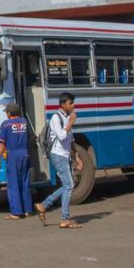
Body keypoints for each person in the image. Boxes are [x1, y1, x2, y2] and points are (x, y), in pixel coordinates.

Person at [35, 92, 83, 229]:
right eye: (70, 103)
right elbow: (62, 136)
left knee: (68, 185)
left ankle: (43, 205)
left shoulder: (66, 117)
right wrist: (71, 122)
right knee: (69, 185)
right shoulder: (56, 118)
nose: (73, 105)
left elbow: (71, 140)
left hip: (66, 155)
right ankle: (64, 218)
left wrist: (77, 157)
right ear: (63, 104)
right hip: (58, 155)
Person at [0, 103, 32, 219]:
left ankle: (16, 212)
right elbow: (30, 137)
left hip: (13, 154)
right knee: (25, 182)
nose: (6, 114)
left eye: (7, 112)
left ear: (9, 113)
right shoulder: (25, 122)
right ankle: (27, 210)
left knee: (13, 184)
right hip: (25, 153)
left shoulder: (6, 125)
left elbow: (1, 143)